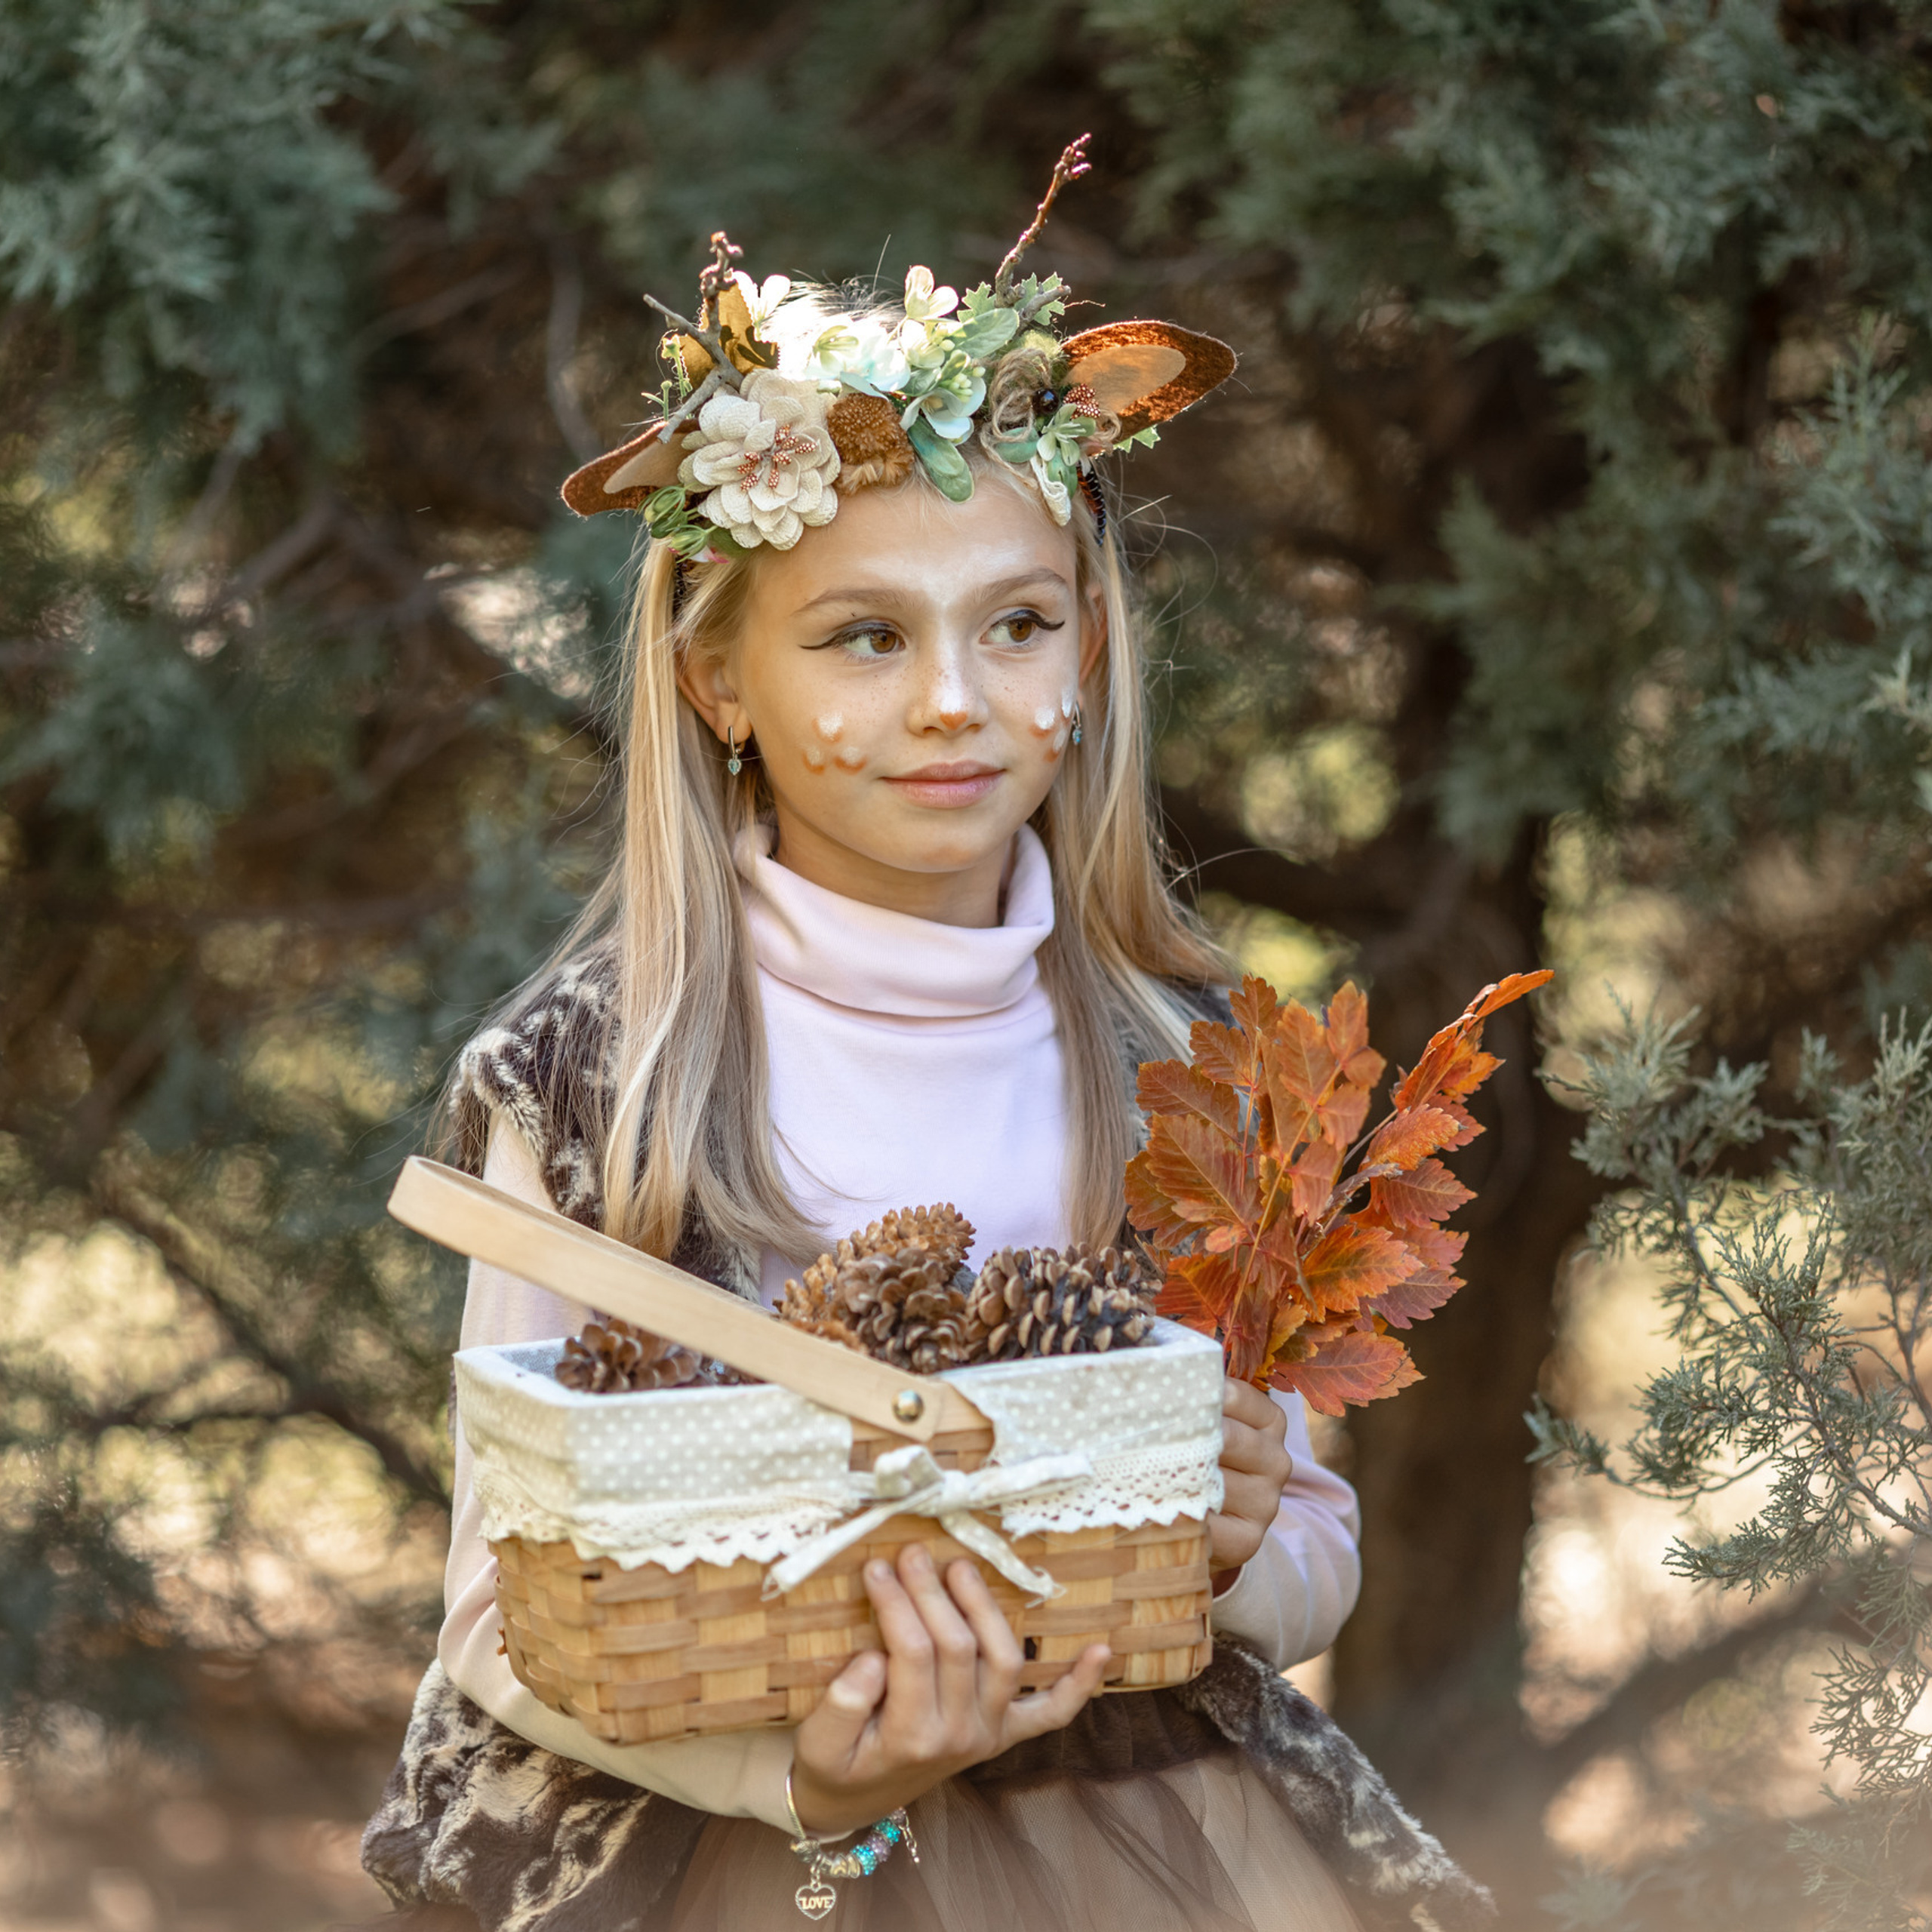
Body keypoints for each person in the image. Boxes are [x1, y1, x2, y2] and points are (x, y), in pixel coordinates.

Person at [359, 147, 1493, 1932]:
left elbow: (1307, 1546)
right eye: (864, 637)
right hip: (760, 1850)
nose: (953, 699)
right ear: (721, 683)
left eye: (1015, 623)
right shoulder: (602, 1078)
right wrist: (819, 1779)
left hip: (1156, 1837)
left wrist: (1236, 1549)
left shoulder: (1186, 1062)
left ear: (1088, 650)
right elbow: (504, 1620)